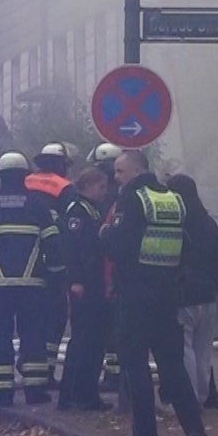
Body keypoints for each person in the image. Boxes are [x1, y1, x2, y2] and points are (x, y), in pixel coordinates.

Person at [100, 149, 210, 436]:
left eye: (120, 171)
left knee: (136, 366)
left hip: (135, 296)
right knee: (172, 364)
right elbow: (186, 246)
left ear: (136, 171)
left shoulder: (131, 198)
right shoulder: (173, 199)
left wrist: (105, 233)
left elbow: (120, 245)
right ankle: (195, 429)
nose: (116, 178)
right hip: (167, 295)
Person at [0, 152, 64, 406]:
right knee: (33, 336)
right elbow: (54, 248)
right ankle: (34, 391)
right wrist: (56, 281)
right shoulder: (38, 207)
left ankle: (2, 393)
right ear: (25, 176)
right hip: (33, 288)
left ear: (0, 175)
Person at [168, 174, 218, 411]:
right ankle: (203, 395)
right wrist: (215, 286)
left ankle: (188, 398)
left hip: (184, 294)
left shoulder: (178, 222)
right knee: (204, 350)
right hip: (208, 294)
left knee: (183, 348)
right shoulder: (208, 222)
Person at [56, 166, 114, 412]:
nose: (104, 191)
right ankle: (73, 395)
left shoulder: (92, 211)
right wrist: (76, 280)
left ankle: (87, 393)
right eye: (100, 186)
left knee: (94, 342)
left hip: (95, 285)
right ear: (87, 187)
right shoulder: (77, 213)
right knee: (83, 341)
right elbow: (72, 250)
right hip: (85, 287)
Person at [27, 143, 76, 390]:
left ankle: (28, 364)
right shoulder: (65, 188)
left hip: (22, 263)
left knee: (30, 319)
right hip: (53, 262)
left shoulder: (22, 183)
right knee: (55, 318)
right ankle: (46, 369)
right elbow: (70, 227)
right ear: (61, 164)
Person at [88, 143, 125, 391]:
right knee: (116, 327)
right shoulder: (122, 194)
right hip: (116, 271)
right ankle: (115, 375)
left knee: (99, 327)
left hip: (98, 271)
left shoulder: (96, 195)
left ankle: (108, 376)